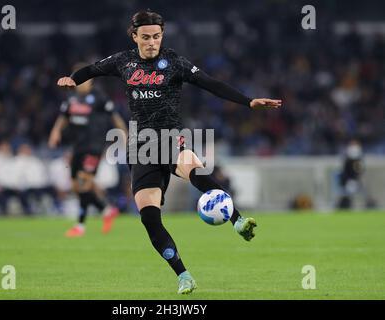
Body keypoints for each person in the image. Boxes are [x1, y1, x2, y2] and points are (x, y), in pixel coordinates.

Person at [56, 10, 281, 294]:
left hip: (170, 137)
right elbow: (91, 70)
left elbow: (211, 83)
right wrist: (73, 79)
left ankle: (237, 220)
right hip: (140, 147)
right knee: (149, 218)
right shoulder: (123, 61)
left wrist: (248, 102)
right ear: (135, 36)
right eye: (146, 37)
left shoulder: (174, 62)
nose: (152, 42)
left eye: (157, 37)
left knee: (195, 170)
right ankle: (183, 276)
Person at [49, 67, 128, 236]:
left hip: (94, 146)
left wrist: (125, 135)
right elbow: (63, 117)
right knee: (76, 186)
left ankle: (80, 226)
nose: (81, 84)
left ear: (91, 81)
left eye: (84, 80)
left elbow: (115, 117)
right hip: (77, 147)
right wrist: (55, 132)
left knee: (84, 182)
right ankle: (106, 209)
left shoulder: (99, 98)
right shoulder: (71, 99)